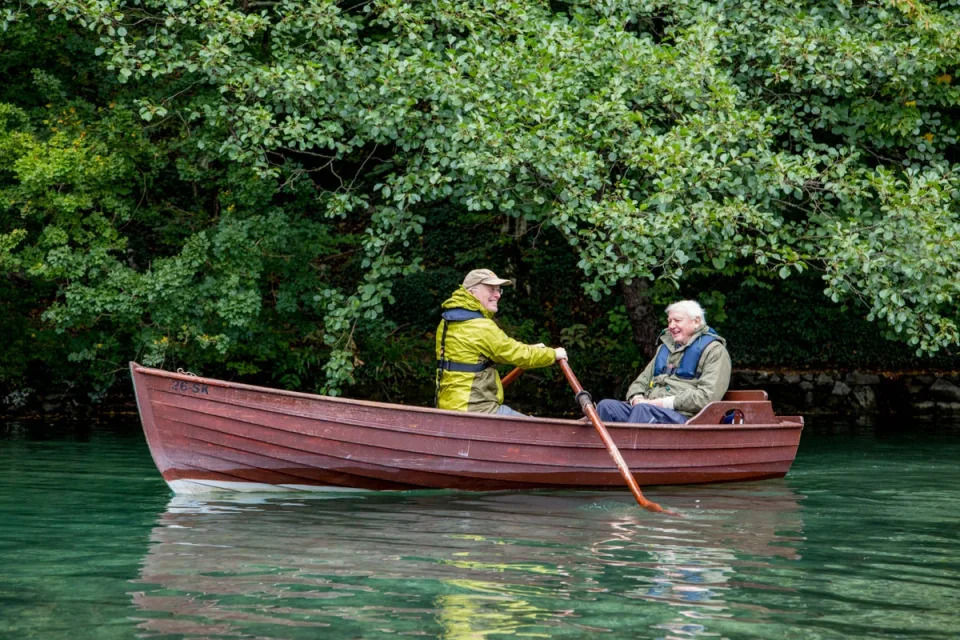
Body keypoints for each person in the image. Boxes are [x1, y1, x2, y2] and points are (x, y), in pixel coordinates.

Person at [436, 269, 567, 416]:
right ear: (472, 293)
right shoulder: (481, 326)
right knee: (536, 430)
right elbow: (517, 354)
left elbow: (491, 349)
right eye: (491, 289)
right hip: (477, 410)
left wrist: (531, 348)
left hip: (448, 407)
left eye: (498, 290)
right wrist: (553, 354)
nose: (497, 295)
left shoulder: (447, 322)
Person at [597, 300, 731, 424]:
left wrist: (660, 403)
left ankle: (625, 449)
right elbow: (639, 383)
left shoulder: (715, 351)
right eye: (669, 321)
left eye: (677, 320)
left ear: (696, 321)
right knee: (606, 406)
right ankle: (606, 449)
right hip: (650, 410)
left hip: (688, 418)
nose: (671, 326)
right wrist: (636, 398)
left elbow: (707, 397)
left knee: (643, 411)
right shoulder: (664, 348)